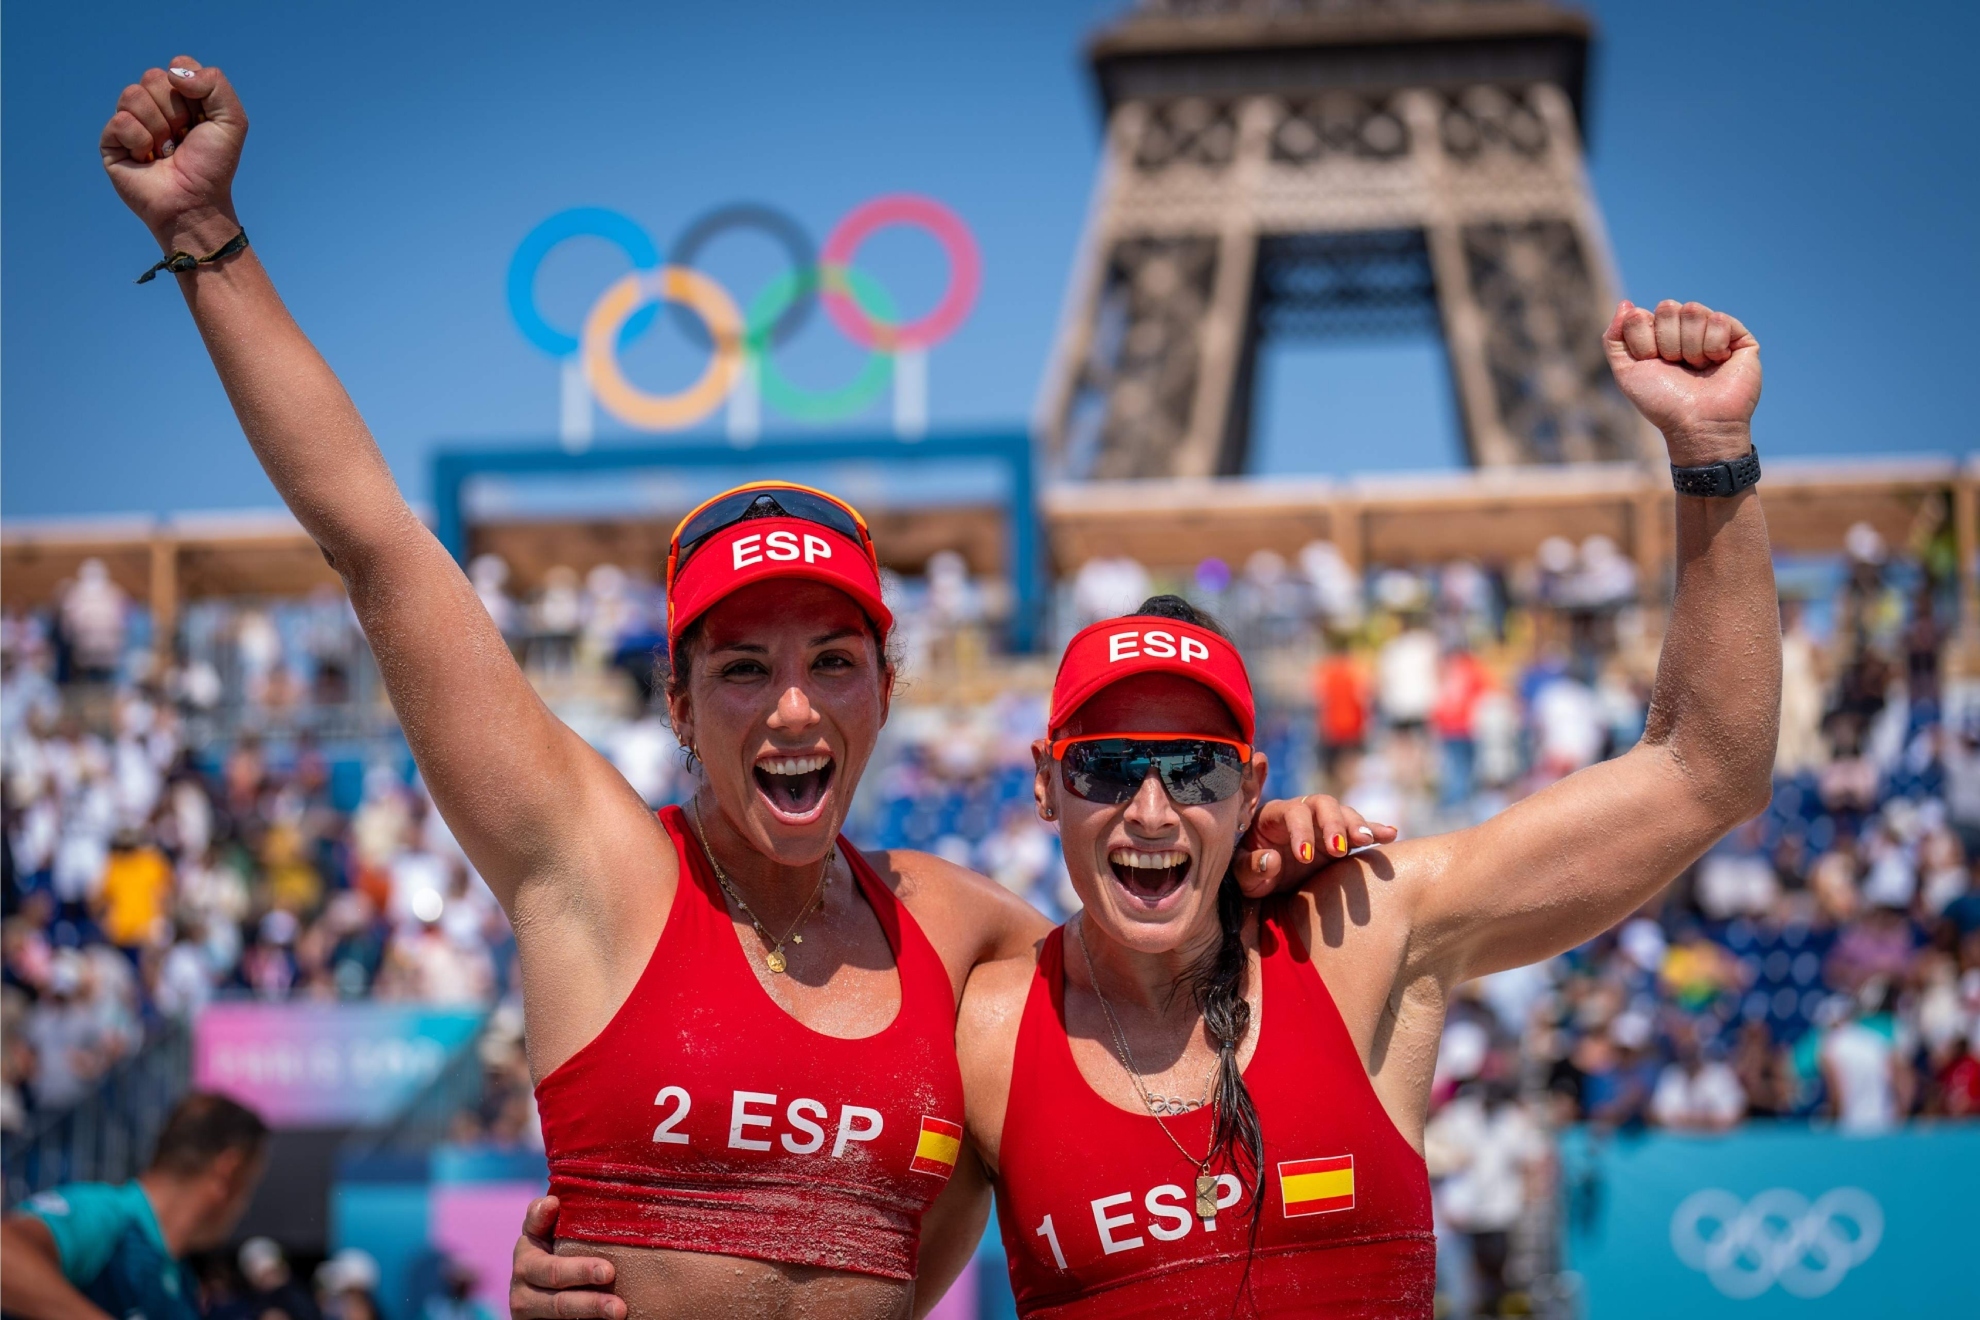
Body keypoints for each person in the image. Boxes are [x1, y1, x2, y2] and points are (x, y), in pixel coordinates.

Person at [96, 58, 1325, 1319]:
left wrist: (1265, 851)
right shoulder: (595, 868)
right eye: (743, 669)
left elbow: (1175, 951)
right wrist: (204, 234)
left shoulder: (965, 934)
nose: (793, 708)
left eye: (831, 662)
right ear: (678, 707)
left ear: (885, 692)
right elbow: (377, 542)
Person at [517, 288, 1781, 1317]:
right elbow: (824, 1287)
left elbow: (1704, 769)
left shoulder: (1361, 935)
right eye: (1110, 770)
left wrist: (1712, 457)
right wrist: (610, 1277)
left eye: (1194, 769)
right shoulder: (997, 1031)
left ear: (1253, 795)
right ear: (1048, 789)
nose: (1152, 807)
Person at [0, 1091, 269, 1320]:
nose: (245, 1206)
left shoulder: (182, 1287)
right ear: (228, 1172)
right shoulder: (107, 1214)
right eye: (251, 1185)